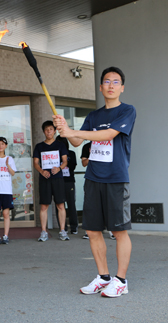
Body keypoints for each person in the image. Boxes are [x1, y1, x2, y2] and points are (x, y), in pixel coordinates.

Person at [53, 66, 136, 298]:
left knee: (119, 231)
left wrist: (73, 131)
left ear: (122, 87)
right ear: (100, 87)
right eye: (107, 81)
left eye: (115, 81)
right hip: (93, 179)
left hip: (116, 179)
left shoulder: (127, 111)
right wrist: (65, 130)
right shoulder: (93, 116)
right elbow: (78, 142)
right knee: (92, 229)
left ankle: (121, 280)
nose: (111, 85)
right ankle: (103, 277)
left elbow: (108, 135)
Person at [32, 120, 69, 242]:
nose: (49, 132)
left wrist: (59, 168)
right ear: (44, 132)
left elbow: (65, 161)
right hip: (45, 179)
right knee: (44, 206)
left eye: (51, 129)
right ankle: (44, 231)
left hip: (57, 178)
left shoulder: (60, 145)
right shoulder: (39, 146)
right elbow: (35, 163)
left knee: (60, 205)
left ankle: (62, 231)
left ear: (54, 131)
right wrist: (42, 171)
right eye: (46, 130)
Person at [81, 142, 116, 240]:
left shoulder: (109, 144)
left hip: (108, 178)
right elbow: (84, 163)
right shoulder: (86, 146)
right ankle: (89, 231)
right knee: (91, 206)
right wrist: (92, 155)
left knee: (108, 205)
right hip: (92, 178)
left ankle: (111, 230)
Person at [55, 136, 78, 234]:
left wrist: (65, 161)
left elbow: (73, 167)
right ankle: (62, 227)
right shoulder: (54, 154)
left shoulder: (71, 153)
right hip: (57, 181)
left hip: (69, 181)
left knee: (71, 204)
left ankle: (74, 226)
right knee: (59, 204)